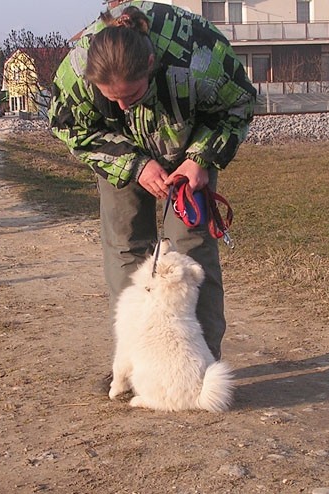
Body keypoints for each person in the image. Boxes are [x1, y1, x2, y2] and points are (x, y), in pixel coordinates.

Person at [49, 1, 256, 364]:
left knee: (189, 250)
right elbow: (69, 128)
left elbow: (239, 104)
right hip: (118, 151)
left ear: (150, 64)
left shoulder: (200, 53)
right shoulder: (77, 72)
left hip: (188, 147)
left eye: (131, 95)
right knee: (126, 244)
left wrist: (201, 158)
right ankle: (137, 362)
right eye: (112, 99)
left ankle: (200, 364)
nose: (125, 106)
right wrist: (134, 165)